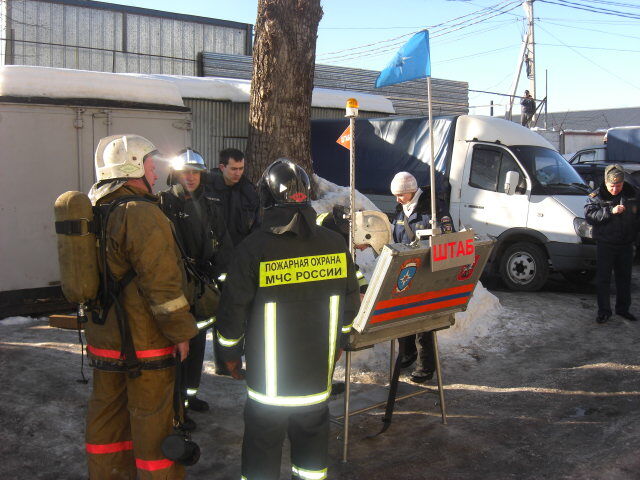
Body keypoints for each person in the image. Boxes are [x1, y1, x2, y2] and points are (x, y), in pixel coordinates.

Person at [215, 159, 360, 480]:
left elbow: (232, 310)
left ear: (265, 199)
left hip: (269, 386)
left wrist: (228, 357)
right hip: (315, 380)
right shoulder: (335, 245)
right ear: (306, 196)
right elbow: (350, 304)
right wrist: (340, 343)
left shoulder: (253, 248)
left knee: (262, 451)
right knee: (311, 456)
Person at [85, 134, 198, 479]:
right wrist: (180, 332)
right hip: (145, 343)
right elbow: (162, 284)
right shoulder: (141, 213)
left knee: (109, 420)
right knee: (153, 423)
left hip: (105, 340)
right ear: (135, 166)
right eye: (151, 165)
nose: (154, 174)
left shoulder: (97, 209)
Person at [159, 148, 234, 417]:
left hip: (203, 288)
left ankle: (189, 398)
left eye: (195, 173)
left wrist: (219, 278)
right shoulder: (164, 204)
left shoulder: (212, 204)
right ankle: (176, 407)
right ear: (176, 175)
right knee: (177, 348)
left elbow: (224, 245)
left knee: (197, 344)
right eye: (185, 173)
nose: (190, 177)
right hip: (177, 287)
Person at [390, 171, 454, 384]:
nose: (397, 199)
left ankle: (426, 366)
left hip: (427, 272)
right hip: (405, 271)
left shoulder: (433, 209)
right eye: (396, 196)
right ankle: (407, 353)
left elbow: (447, 237)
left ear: (411, 191)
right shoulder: (401, 210)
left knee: (422, 322)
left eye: (401, 195)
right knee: (401, 315)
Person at [585, 164, 639, 324]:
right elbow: (590, 216)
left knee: (624, 278)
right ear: (606, 183)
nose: (615, 189)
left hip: (626, 244)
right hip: (606, 244)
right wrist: (609, 212)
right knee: (603, 279)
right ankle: (604, 311)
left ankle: (623, 309)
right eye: (612, 186)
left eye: (619, 185)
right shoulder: (597, 196)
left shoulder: (633, 194)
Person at [205, 148, 260, 246]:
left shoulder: (248, 191)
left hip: (240, 251)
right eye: (234, 169)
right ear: (222, 167)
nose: (238, 173)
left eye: (241, 168)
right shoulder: (207, 188)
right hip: (211, 250)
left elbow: (256, 225)